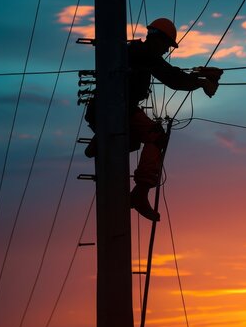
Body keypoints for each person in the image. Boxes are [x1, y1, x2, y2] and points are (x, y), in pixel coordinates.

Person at [85, 17, 222, 222]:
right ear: (158, 39)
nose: (167, 50)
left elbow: (168, 71)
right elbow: (172, 77)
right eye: (167, 45)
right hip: (118, 110)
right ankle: (139, 194)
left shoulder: (138, 53)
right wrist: (201, 82)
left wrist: (198, 77)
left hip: (111, 110)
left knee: (132, 141)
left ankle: (102, 141)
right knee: (156, 137)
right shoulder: (143, 54)